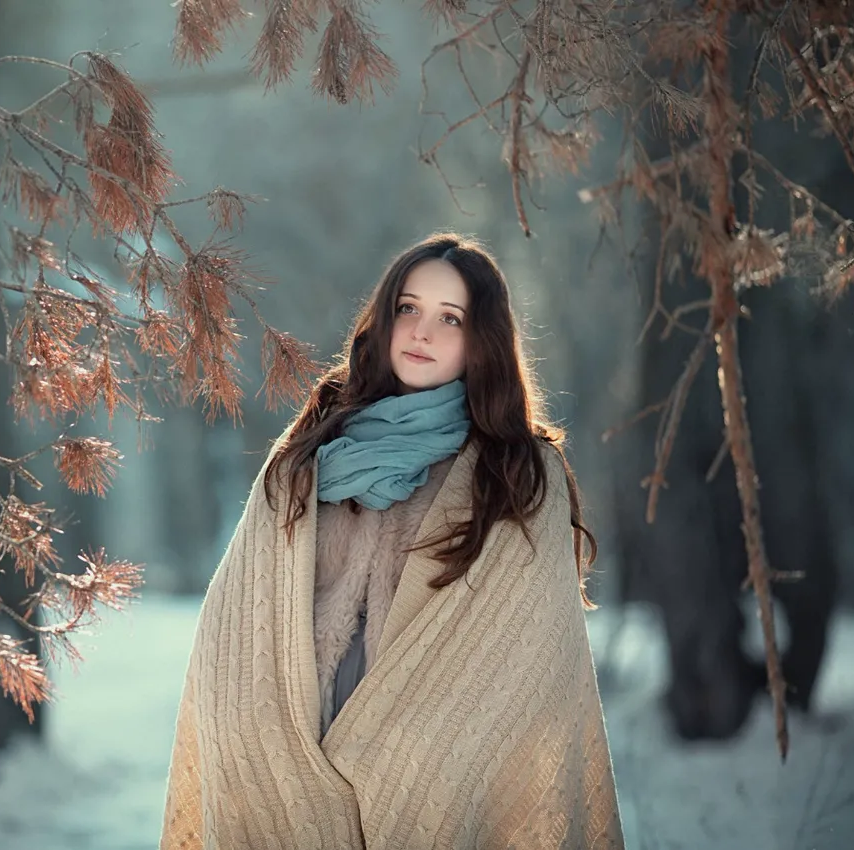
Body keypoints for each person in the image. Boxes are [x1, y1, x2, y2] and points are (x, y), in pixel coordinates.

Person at [160, 232, 625, 849]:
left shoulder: (517, 471)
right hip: (297, 740)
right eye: (408, 308)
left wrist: (415, 750)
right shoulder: (309, 450)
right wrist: (252, 729)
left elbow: (531, 663)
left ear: (481, 338)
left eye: (449, 318)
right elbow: (237, 617)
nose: (421, 332)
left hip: (438, 758)